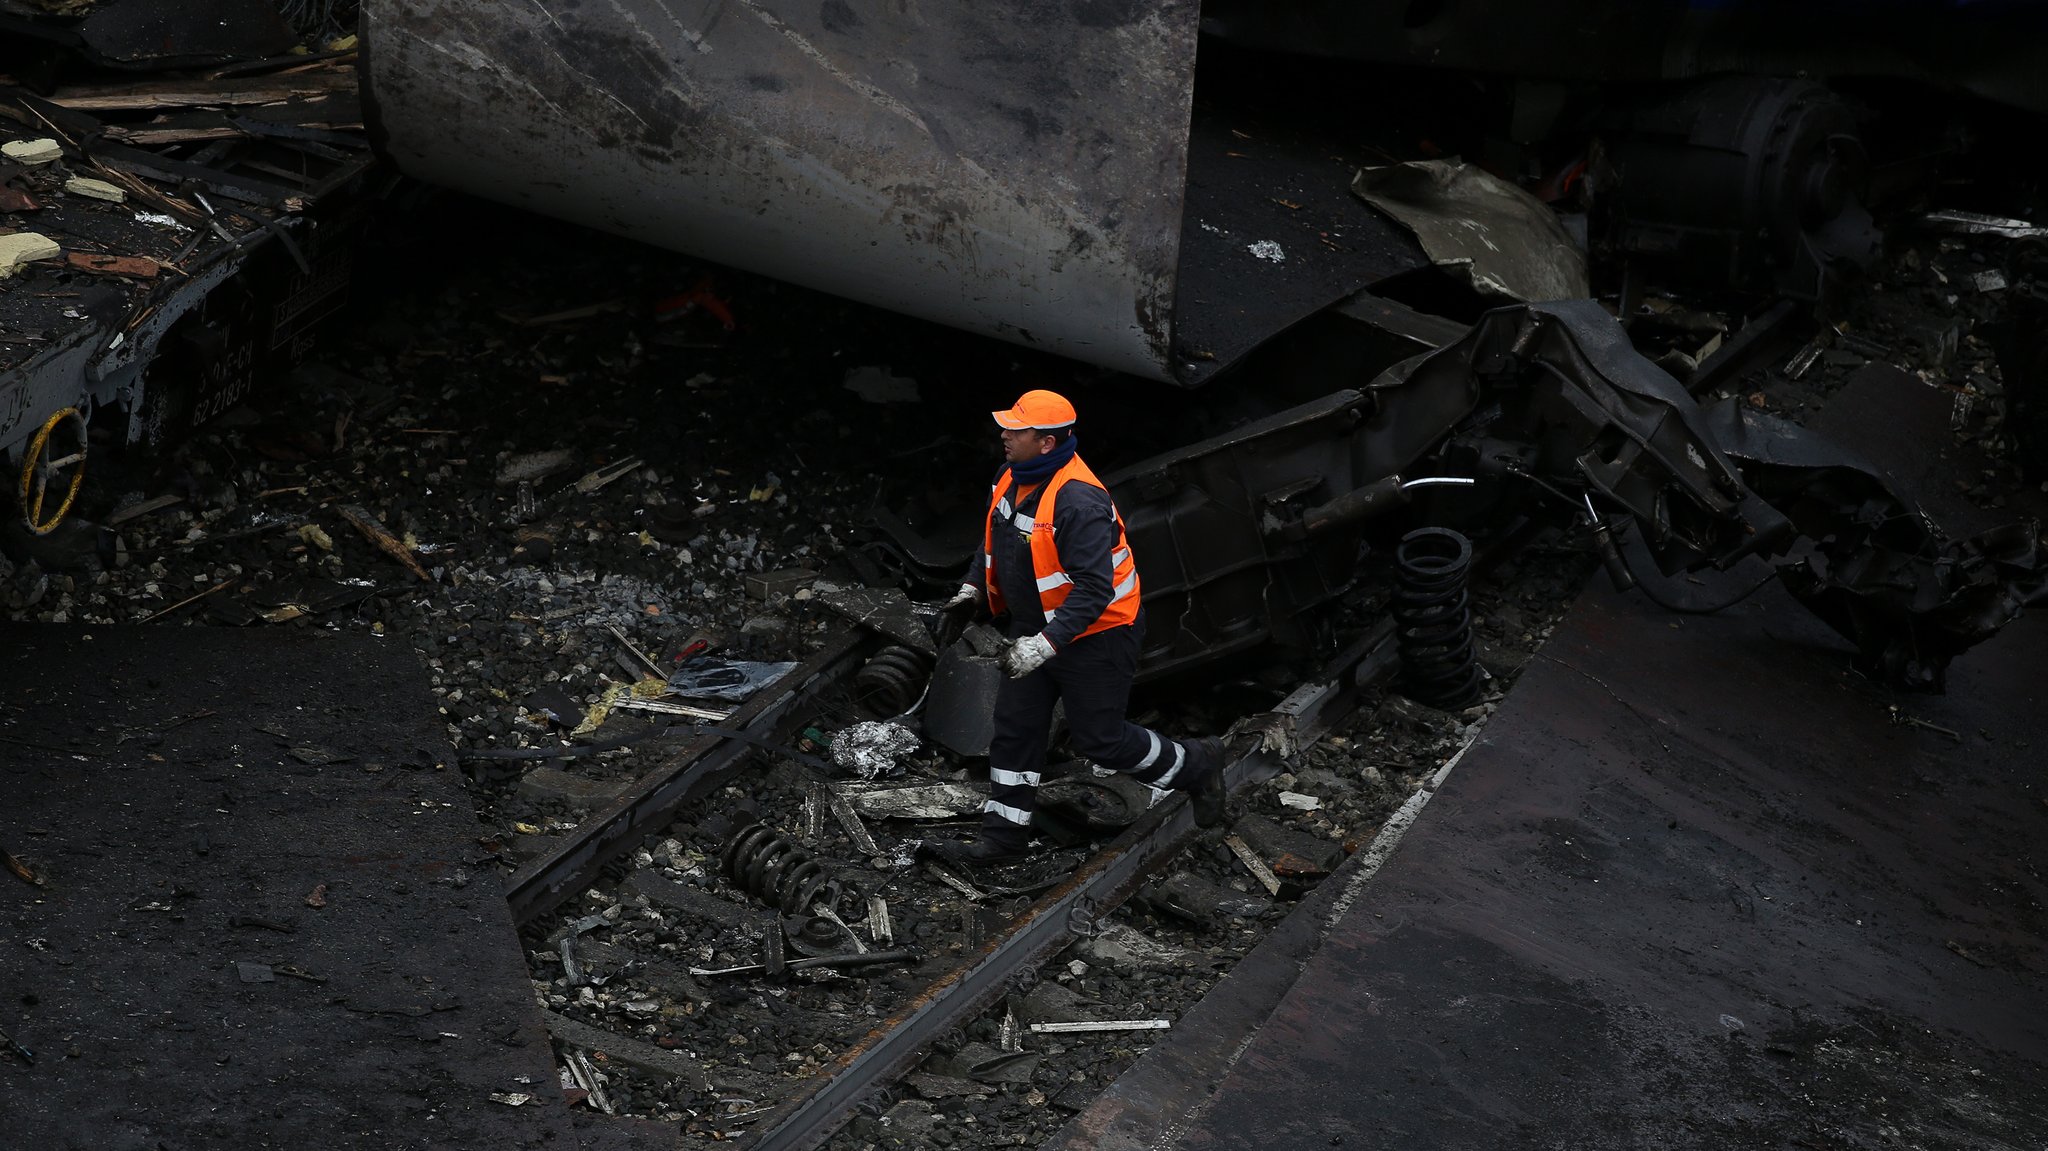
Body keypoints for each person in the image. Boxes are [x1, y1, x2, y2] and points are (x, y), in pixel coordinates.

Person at [924, 389, 1224, 867]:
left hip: (1098, 634)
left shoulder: (1078, 502)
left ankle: (1197, 764)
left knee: (1099, 740)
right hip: (1036, 627)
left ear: (1046, 443)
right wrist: (971, 591)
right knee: (1015, 730)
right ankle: (1003, 840)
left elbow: (1093, 590)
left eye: (1016, 430)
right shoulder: (1008, 479)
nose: (1004, 435)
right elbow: (993, 548)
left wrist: (1043, 646)